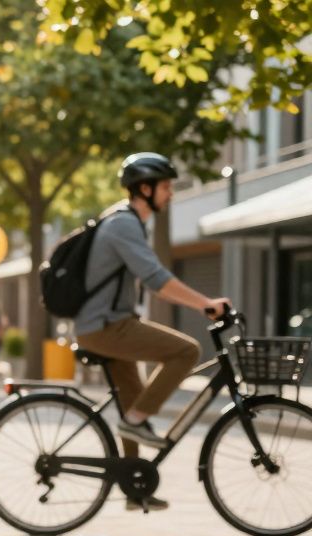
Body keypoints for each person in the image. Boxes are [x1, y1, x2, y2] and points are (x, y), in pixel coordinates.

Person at [73, 152, 230, 510]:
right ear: (145, 189)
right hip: (106, 327)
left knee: (134, 399)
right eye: (166, 186)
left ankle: (134, 488)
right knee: (187, 351)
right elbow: (156, 279)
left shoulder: (123, 220)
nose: (171, 193)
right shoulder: (124, 224)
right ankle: (135, 422)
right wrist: (205, 303)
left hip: (105, 325)